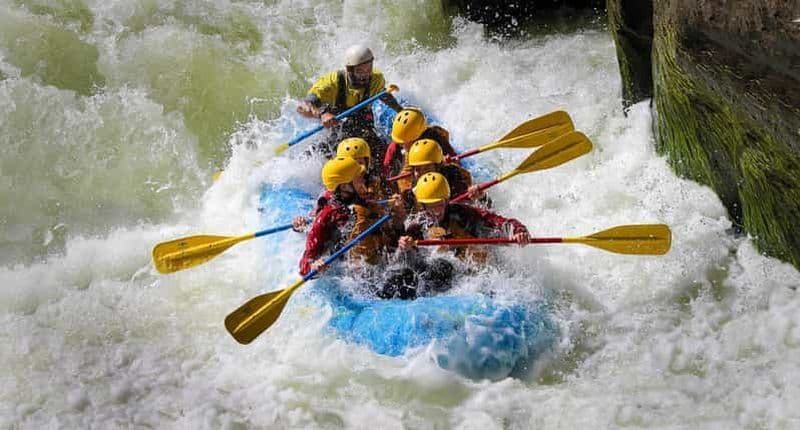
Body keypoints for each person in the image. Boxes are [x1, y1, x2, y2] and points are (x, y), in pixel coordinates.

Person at [298, 156, 403, 276]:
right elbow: (305, 263)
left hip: (378, 263)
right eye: (358, 178)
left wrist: (398, 215)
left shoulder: (366, 201)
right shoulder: (326, 216)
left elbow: (390, 233)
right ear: (344, 187)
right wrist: (313, 266)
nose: (363, 181)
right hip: (349, 274)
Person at [296, 45, 403, 160]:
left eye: (369, 69)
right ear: (349, 70)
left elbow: (383, 95)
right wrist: (322, 114)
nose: (365, 76)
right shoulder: (332, 82)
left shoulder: (376, 79)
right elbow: (302, 107)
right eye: (360, 71)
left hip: (363, 129)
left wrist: (400, 110)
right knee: (321, 154)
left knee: (383, 156)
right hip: (337, 132)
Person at [381, 107, 459, 187]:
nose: (402, 145)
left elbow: (456, 162)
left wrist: (448, 164)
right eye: (401, 143)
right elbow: (387, 170)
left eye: (405, 143)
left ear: (419, 136)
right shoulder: (396, 144)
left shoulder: (437, 138)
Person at [404, 138, 485, 203]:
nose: (423, 173)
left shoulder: (454, 179)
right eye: (418, 169)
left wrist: (480, 197)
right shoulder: (412, 194)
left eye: (427, 168)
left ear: (437, 167)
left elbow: (477, 205)